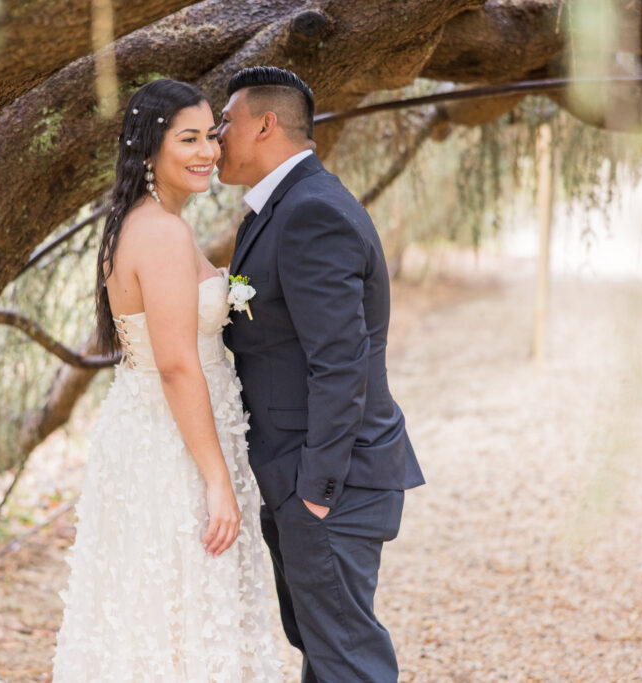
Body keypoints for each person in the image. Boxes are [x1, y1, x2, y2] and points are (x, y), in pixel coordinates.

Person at [52, 78, 279, 682]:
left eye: (211, 135)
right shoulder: (160, 231)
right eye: (189, 138)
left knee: (162, 612)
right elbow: (177, 363)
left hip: (163, 431)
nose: (207, 150)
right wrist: (217, 481)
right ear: (151, 147)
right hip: (173, 446)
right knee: (179, 606)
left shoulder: (146, 221)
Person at [218, 66, 426, 682]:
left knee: (348, 660)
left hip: (331, 481)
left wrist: (315, 491)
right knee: (326, 650)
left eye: (225, 122)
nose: (216, 135)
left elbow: (341, 362)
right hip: (302, 473)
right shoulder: (279, 208)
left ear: (264, 124)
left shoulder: (311, 212)